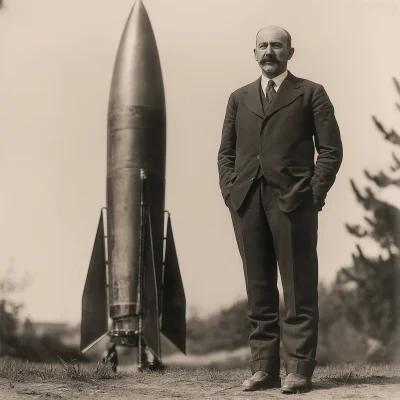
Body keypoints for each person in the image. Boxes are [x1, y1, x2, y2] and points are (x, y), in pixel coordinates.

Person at [217, 25, 343, 394]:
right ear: (254, 53)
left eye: (277, 46)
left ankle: (299, 370)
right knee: (258, 289)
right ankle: (263, 370)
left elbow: (331, 151)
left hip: (294, 202)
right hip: (246, 202)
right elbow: (226, 153)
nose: (269, 52)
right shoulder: (238, 98)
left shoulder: (311, 93)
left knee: (298, 286)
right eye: (263, 46)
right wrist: (230, 191)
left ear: (290, 52)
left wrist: (313, 194)